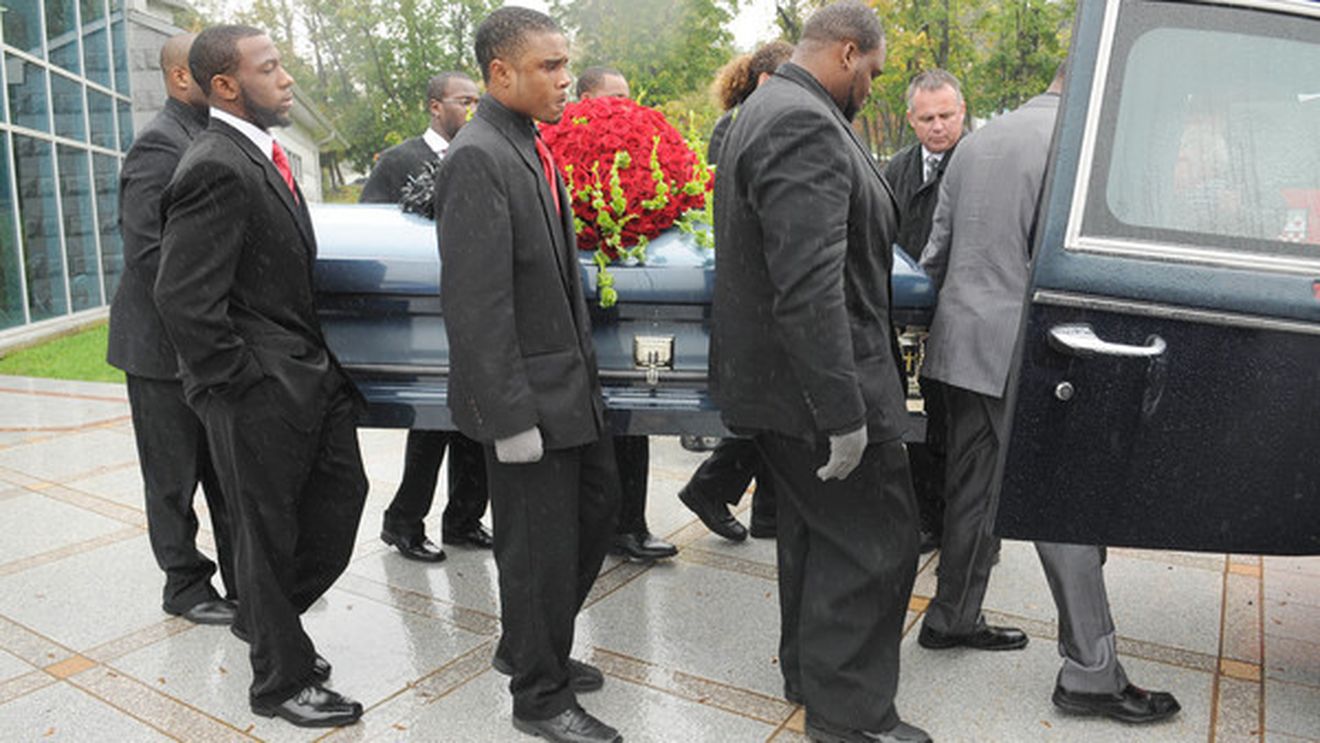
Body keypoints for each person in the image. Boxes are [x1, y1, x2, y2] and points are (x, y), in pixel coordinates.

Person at [917, 64, 1182, 725]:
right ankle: (1091, 672)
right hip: (1028, 349)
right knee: (1062, 501)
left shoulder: (978, 140)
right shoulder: (1075, 144)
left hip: (961, 340)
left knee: (973, 489)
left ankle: (952, 615)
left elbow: (937, 253)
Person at [711, 3, 927, 741]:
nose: (872, 84)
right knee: (876, 545)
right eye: (872, 70)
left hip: (784, 387)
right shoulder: (800, 120)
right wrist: (843, 413)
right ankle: (850, 718)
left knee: (815, 538)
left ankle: (810, 674)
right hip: (817, 392)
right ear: (844, 52)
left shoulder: (777, 106)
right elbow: (808, 285)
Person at [154, 24, 368, 728]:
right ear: (225, 86)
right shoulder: (213, 164)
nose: (287, 79)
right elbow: (182, 298)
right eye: (270, 68)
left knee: (341, 500)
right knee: (266, 537)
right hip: (257, 393)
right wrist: (244, 383)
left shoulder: (264, 154)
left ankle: (270, 625)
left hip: (305, 381)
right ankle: (279, 680)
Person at [435, 8, 621, 742]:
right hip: (528, 405)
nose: (563, 78)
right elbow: (476, 306)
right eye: (548, 66)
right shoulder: (478, 155)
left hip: (569, 392)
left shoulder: (527, 145)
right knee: (538, 554)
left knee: (591, 520)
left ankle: (530, 646)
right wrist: (510, 418)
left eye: (564, 63)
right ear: (500, 74)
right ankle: (539, 697)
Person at [106, 32, 237, 627]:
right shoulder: (159, 146)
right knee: (173, 477)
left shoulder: (206, 137)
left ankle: (243, 582)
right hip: (161, 350)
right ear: (181, 78)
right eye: (208, 71)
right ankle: (184, 586)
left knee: (223, 472)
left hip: (199, 347)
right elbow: (150, 254)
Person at [361, 72, 493, 562]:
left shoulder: (481, 153)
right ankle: (402, 521)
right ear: (436, 106)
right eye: (465, 101)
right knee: (434, 422)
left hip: (475, 304)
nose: (474, 109)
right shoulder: (399, 161)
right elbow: (373, 228)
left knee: (476, 419)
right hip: (424, 309)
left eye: (479, 101)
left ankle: (463, 518)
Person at [678, 39, 794, 544]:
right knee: (770, 401)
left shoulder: (749, 122)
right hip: (754, 280)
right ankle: (712, 484)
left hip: (762, 276)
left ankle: (767, 510)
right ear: (767, 82)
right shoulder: (740, 127)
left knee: (778, 401)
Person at [574, 66, 678, 563]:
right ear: (587, 98)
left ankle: (629, 524)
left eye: (629, 96)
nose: (625, 107)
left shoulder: (642, 147)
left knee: (632, 427)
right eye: (615, 97)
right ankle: (603, 527)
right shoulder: (560, 144)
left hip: (628, 300)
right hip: (584, 304)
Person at [881, 68, 967, 554]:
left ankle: (961, 523)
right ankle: (924, 517)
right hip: (905, 314)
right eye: (928, 118)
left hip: (956, 313)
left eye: (947, 116)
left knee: (955, 425)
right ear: (911, 120)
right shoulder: (896, 168)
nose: (938, 127)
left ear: (962, 113)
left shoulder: (977, 163)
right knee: (914, 421)